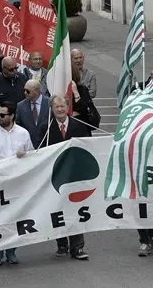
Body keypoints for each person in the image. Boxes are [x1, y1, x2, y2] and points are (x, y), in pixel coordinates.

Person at [35, 95, 90, 260]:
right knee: (57, 210)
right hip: (55, 177)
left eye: (62, 106)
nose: (60, 109)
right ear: (52, 109)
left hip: (75, 177)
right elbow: (38, 150)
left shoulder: (79, 126)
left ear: (68, 108)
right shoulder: (45, 127)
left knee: (75, 211)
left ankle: (78, 248)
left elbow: (87, 148)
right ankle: (61, 244)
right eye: (56, 107)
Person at [0, 101, 33, 266]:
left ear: (12, 116)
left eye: (2, 115)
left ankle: (11, 250)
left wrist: (25, 154)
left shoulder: (23, 133)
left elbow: (32, 154)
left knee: (15, 216)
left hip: (16, 182)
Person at [15, 79, 50, 148]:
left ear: (37, 91)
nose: (25, 93)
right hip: (28, 147)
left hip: (47, 146)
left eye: (28, 91)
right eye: (24, 90)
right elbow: (17, 127)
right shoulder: (20, 106)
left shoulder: (50, 103)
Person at [70, 64, 100, 134]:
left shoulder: (82, 89)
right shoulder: (60, 90)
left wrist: (76, 93)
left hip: (81, 126)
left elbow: (83, 109)